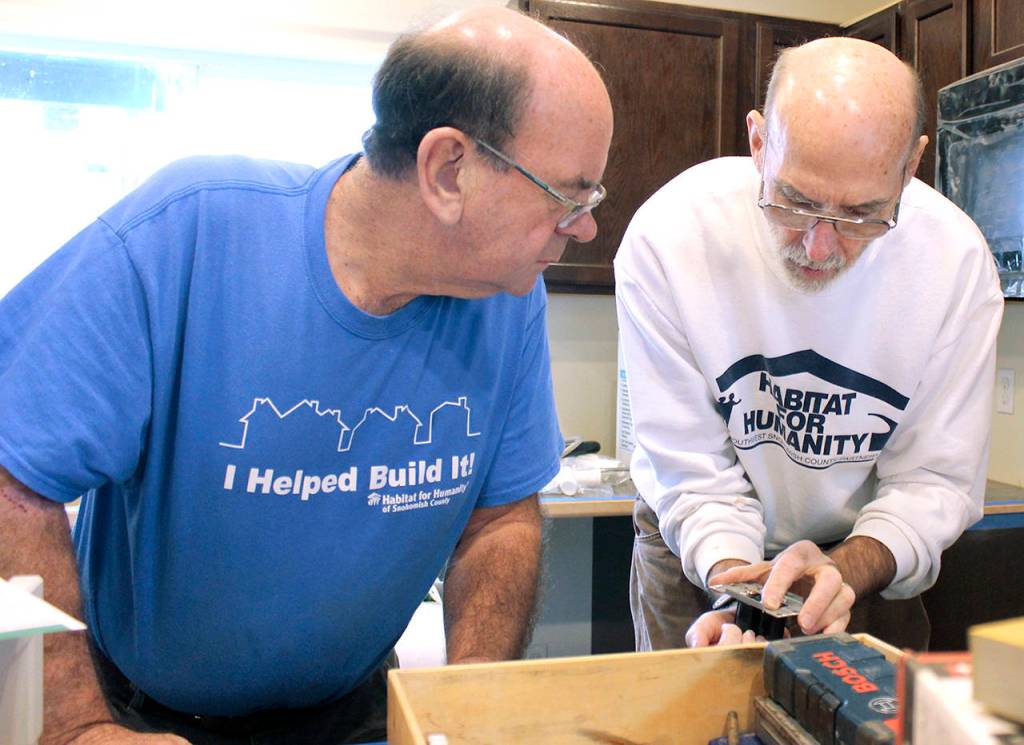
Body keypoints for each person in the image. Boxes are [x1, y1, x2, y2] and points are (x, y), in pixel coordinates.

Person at [0, 7, 613, 744]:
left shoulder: (508, 300)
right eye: (569, 196)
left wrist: (468, 700)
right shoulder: (185, 235)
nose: (584, 227)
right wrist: (71, 728)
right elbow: (14, 475)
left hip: (355, 711)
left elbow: (500, 515)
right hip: (143, 714)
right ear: (448, 169)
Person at [615, 37, 1002, 652]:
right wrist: (736, 587)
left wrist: (839, 573)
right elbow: (689, 466)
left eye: (862, 215)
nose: (818, 247)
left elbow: (933, 481)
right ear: (759, 143)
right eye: (794, 202)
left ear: (911, 166)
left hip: (864, 554)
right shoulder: (671, 236)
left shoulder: (954, 264)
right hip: (694, 540)